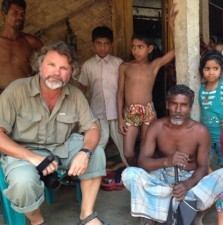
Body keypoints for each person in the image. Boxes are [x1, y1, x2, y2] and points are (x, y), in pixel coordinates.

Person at [0, 41, 106, 225]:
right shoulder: (16, 91)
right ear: (39, 66)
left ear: (71, 72)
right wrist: (32, 157)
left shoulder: (75, 95)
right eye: (51, 65)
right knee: (22, 183)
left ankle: (87, 215)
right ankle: (37, 221)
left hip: (61, 147)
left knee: (96, 153)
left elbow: (93, 127)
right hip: (22, 152)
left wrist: (85, 151)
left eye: (64, 68)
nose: (57, 73)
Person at [122, 85, 223, 225]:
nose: (178, 110)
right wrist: (167, 161)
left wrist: (186, 185)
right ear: (167, 104)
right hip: (162, 180)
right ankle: (178, 209)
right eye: (174, 104)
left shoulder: (200, 131)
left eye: (183, 105)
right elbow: (143, 161)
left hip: (190, 183)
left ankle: (162, 210)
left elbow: (203, 167)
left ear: (190, 107)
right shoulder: (156, 127)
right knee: (129, 174)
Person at [117, 4, 178, 166]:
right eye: (133, 47)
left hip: (148, 110)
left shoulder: (154, 65)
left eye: (140, 47)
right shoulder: (125, 66)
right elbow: (120, 92)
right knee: (128, 153)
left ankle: (142, 176)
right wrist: (119, 118)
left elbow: (175, 51)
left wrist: (172, 27)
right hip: (130, 112)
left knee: (146, 149)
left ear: (150, 48)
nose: (135, 51)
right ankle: (136, 170)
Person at [78, 26, 128, 166]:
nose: (102, 48)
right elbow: (81, 89)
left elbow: (126, 89)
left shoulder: (119, 63)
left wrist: (125, 110)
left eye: (106, 44)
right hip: (97, 112)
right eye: (99, 44)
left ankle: (132, 172)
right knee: (97, 145)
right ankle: (94, 173)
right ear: (93, 44)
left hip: (117, 113)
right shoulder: (87, 66)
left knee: (124, 146)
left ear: (111, 44)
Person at [198, 50, 223, 167]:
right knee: (203, 163)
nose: (211, 73)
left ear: (221, 70)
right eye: (207, 69)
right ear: (202, 70)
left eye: (215, 69)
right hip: (206, 137)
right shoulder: (202, 88)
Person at [0, 0, 43, 94]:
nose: (20, 17)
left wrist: (37, 75)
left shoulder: (30, 41)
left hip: (23, 93)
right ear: (4, 14)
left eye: (22, 14)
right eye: (15, 13)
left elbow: (51, 58)